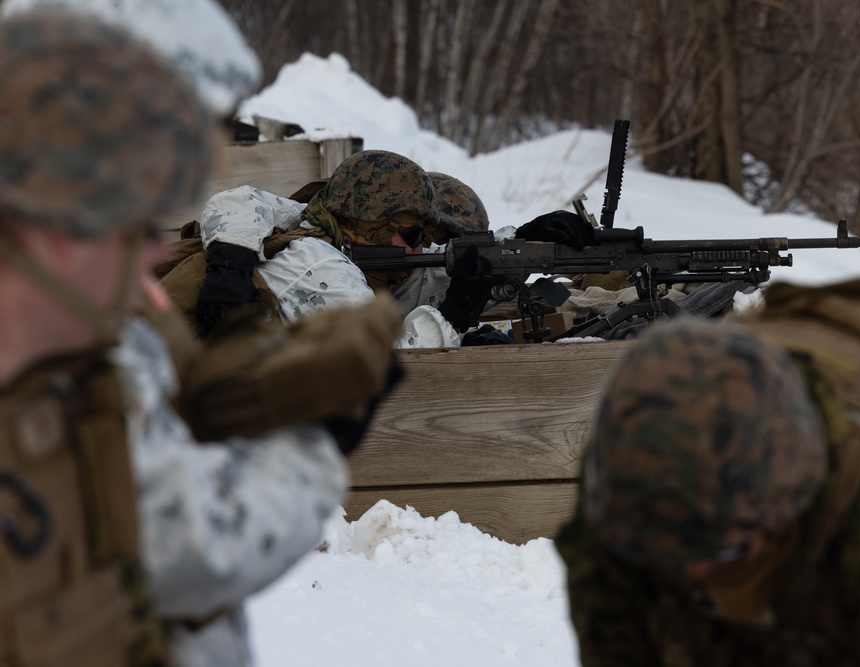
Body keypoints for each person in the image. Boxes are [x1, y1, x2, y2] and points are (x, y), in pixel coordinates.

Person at [0, 10, 401, 667]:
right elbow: (198, 547)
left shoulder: (84, 334)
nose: (153, 238)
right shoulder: (54, 361)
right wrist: (316, 441)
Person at [555, 278, 860, 666]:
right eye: (664, 554)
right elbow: (614, 643)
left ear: (792, 500)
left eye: (725, 553)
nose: (694, 571)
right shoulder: (634, 478)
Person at [160, 150, 495, 348]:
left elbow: (242, 200)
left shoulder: (316, 228)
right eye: (413, 235)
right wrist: (452, 319)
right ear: (372, 224)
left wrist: (511, 241)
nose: (420, 250)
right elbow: (387, 357)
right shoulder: (325, 269)